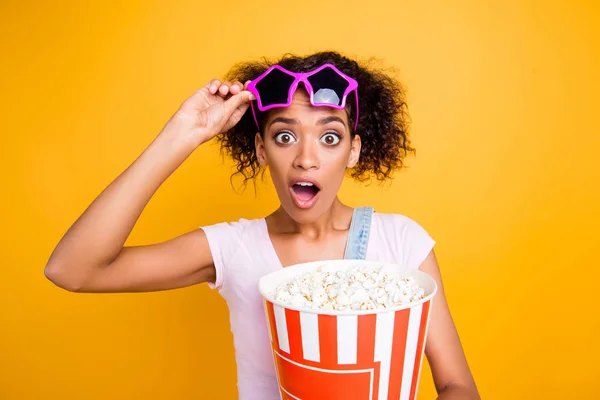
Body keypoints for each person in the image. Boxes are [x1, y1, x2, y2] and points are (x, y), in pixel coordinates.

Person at [45, 51, 480, 400]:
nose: (306, 158)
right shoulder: (234, 249)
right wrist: (182, 134)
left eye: (330, 137)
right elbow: (72, 270)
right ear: (260, 148)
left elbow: (457, 386)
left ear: (353, 151)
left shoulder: (402, 243)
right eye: (285, 136)